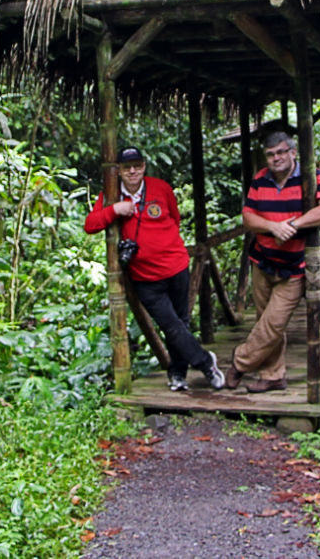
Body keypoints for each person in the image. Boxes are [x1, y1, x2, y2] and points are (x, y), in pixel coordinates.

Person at [84, 146, 225, 392]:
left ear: (144, 166)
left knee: (180, 323)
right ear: (118, 170)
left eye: (137, 165)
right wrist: (115, 210)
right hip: (145, 277)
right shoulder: (111, 194)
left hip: (177, 267)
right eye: (127, 167)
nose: (132, 171)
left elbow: (175, 218)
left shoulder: (160, 188)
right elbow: (90, 224)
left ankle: (177, 374)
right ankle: (206, 363)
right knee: (170, 325)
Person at [225, 131, 320, 394]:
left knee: (273, 322)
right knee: (265, 320)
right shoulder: (260, 178)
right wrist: (272, 227)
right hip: (262, 261)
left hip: (295, 266)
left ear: (292, 153)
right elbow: (248, 217)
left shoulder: (311, 177)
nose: (275, 158)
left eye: (280, 152)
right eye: (270, 154)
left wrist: (294, 224)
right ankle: (273, 375)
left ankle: (239, 363)